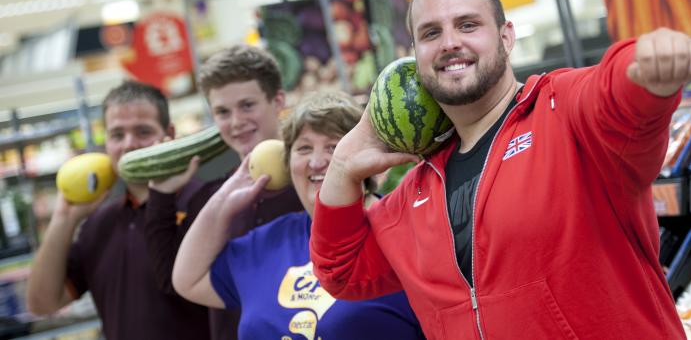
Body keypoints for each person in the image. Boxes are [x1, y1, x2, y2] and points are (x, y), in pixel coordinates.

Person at [309, 0, 691, 339]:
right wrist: (343, 164)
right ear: (415, 58)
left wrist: (648, 65)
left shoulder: (561, 110)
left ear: (505, 35)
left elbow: (614, 92)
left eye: (467, 24)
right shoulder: (417, 191)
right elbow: (340, 271)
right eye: (431, 33)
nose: (449, 43)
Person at [171, 91, 424, 340]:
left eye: (333, 146)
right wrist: (224, 199)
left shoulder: (400, 234)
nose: (316, 161)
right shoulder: (266, 244)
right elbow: (188, 280)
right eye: (303, 148)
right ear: (287, 164)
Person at [26, 81, 212, 340]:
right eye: (117, 135)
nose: (129, 144)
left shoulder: (206, 204)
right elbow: (42, 303)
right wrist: (64, 218)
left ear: (169, 134)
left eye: (143, 131)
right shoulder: (98, 223)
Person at [144, 45, 304, 340]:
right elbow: (171, 281)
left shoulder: (310, 183)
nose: (236, 122)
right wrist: (161, 196)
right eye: (222, 112)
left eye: (247, 105)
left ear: (278, 100)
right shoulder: (207, 199)